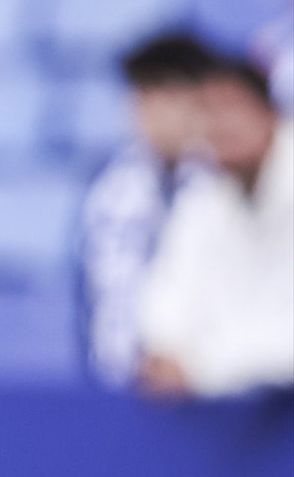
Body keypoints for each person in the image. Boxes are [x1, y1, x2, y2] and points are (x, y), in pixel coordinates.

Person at [137, 60, 294, 397]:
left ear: (270, 114)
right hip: (232, 419)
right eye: (207, 112)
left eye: (231, 108)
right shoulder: (202, 200)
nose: (220, 125)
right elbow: (167, 308)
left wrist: (202, 368)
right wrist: (165, 353)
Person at [79, 33, 217, 389]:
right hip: (131, 388)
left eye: (165, 96)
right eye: (140, 97)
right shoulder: (113, 192)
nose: (149, 113)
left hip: (221, 387)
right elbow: (110, 296)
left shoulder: (228, 183)